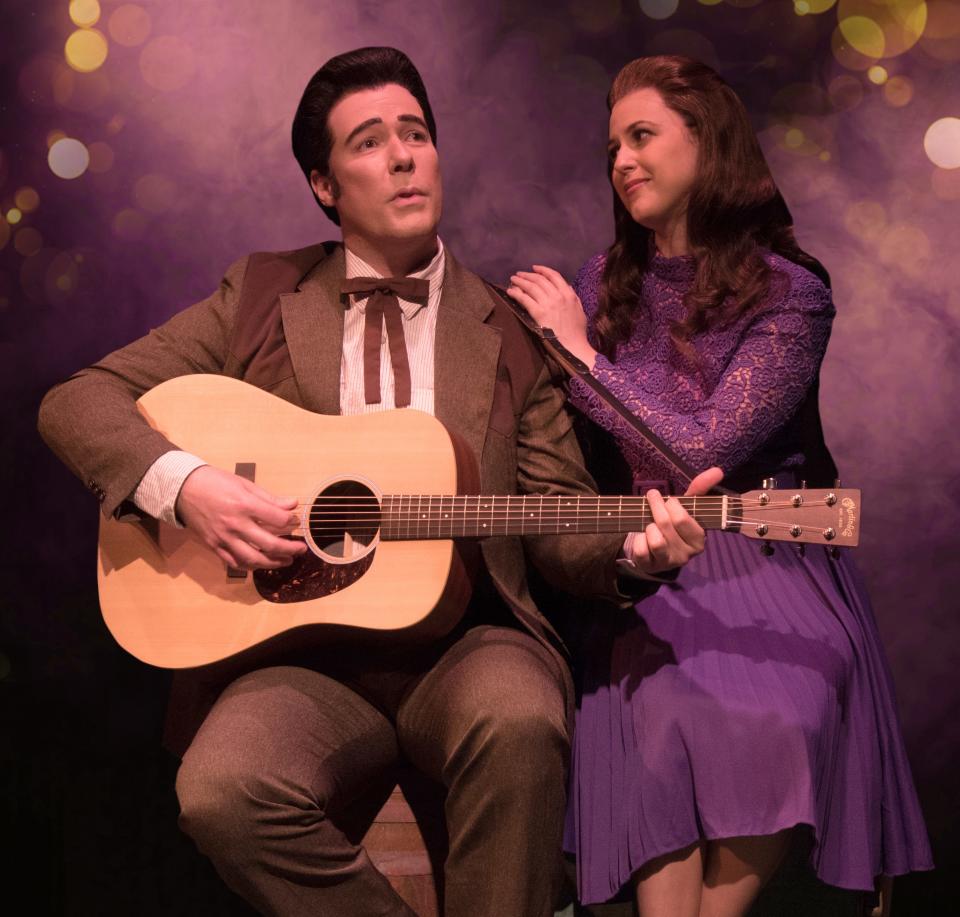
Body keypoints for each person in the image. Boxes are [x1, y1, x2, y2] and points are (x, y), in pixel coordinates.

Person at [37, 48, 719, 917]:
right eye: (369, 142)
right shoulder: (260, 294)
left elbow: (559, 516)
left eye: (417, 134)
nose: (403, 156)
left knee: (520, 722)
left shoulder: (507, 329)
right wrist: (186, 483)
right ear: (325, 185)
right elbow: (76, 400)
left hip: (470, 643)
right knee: (221, 792)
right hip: (299, 654)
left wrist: (635, 548)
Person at [508, 55, 932, 917]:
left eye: (643, 136)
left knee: (781, 710)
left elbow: (698, 447)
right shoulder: (600, 284)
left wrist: (578, 351)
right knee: (656, 712)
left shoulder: (792, 294)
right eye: (613, 145)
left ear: (708, 144)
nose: (621, 159)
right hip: (649, 560)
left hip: (773, 559)